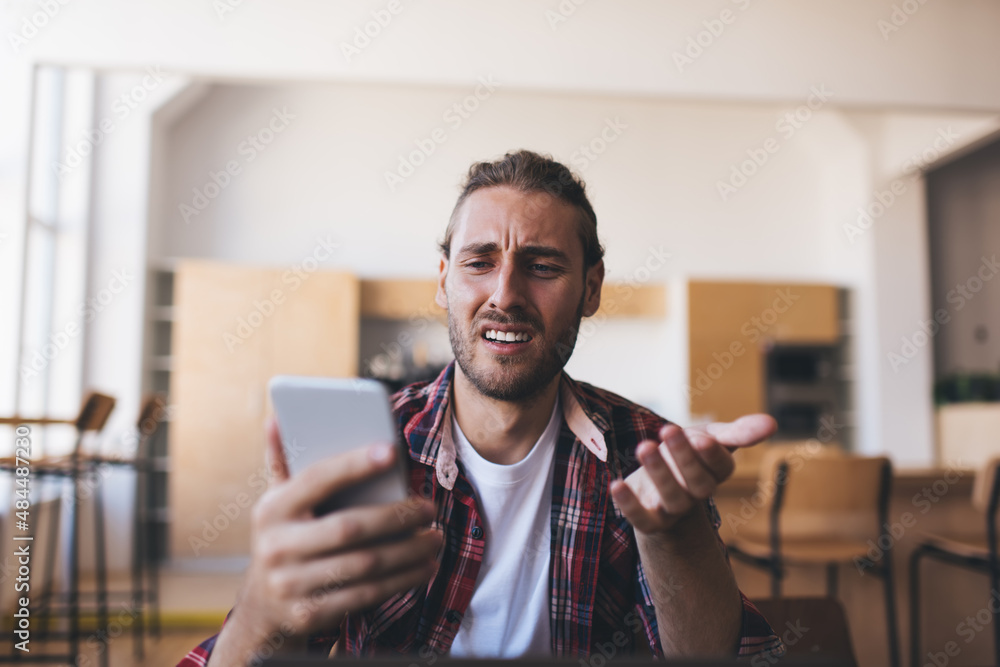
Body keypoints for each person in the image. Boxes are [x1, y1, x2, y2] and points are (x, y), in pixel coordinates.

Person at [180, 150, 785, 665]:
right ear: (444, 279)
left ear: (591, 289)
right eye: (479, 262)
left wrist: (675, 536)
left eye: (542, 266)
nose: (505, 295)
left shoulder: (649, 452)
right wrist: (261, 614)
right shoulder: (364, 446)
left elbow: (716, 657)